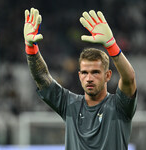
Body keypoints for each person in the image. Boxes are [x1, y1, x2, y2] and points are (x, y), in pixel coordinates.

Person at [23, 8, 137, 150]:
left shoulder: (119, 106)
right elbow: (42, 77)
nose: (89, 78)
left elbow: (129, 79)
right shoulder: (69, 104)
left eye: (95, 72)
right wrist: (30, 48)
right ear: (79, 75)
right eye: (84, 73)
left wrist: (111, 45)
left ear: (107, 75)